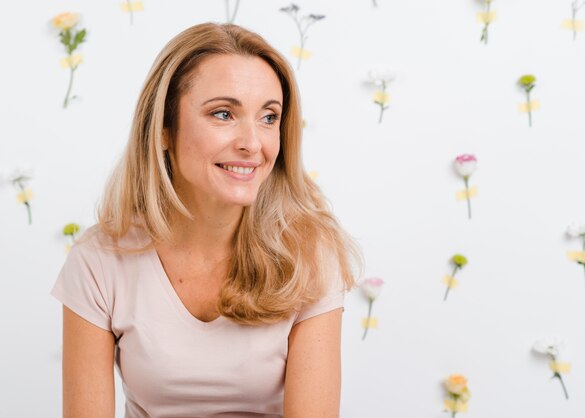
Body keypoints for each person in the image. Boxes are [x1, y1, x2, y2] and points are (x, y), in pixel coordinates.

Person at [51, 22, 359, 418]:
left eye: (269, 118)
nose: (252, 144)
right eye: (224, 114)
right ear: (163, 129)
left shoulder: (310, 255)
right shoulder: (99, 260)